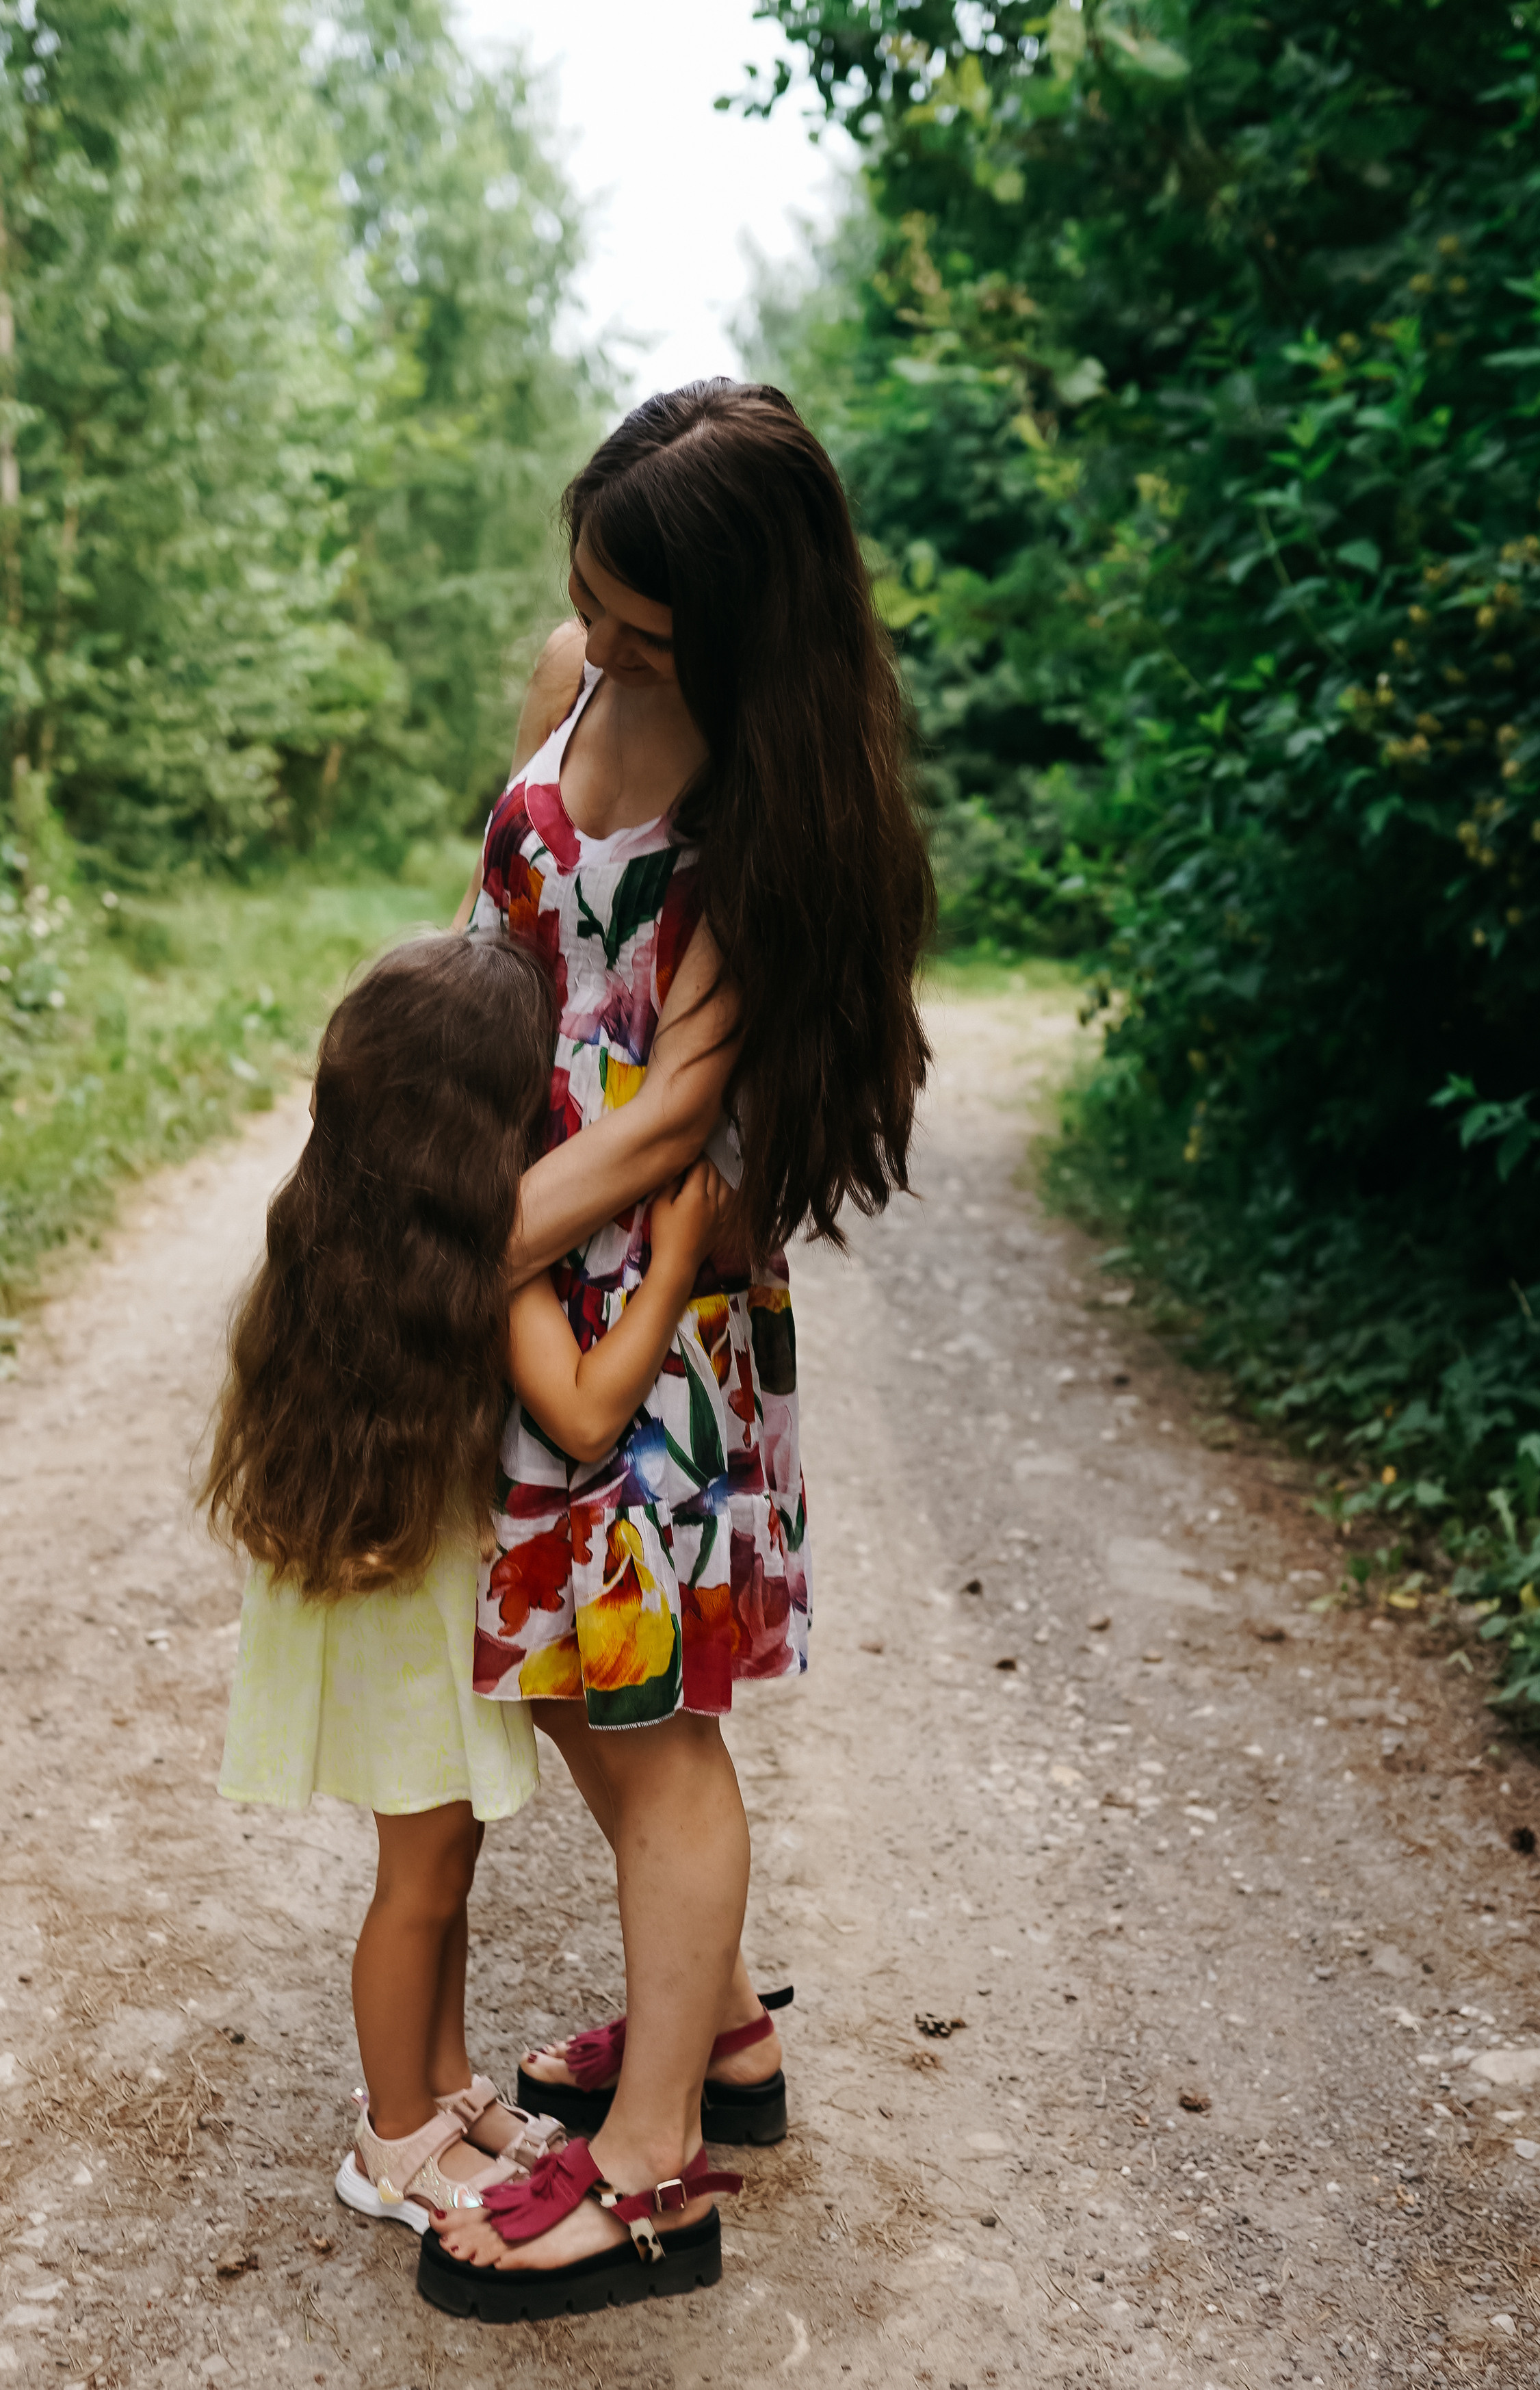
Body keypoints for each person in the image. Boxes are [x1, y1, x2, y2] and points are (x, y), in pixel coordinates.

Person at [421, 378, 932, 2322]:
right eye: (598, 614)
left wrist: (435, 1246)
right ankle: (713, 2021)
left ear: (747, 635)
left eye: (653, 638)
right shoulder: (576, 663)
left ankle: (650, 2171)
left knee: (647, 1725)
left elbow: (658, 1131)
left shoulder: (768, 810)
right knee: (548, 1661)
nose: (613, 654)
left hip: (642, 1291)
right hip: (516, 1233)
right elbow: (508, 933)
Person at [206, 933, 733, 2235]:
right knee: (422, 1883)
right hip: (406, 1624)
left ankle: (442, 2088)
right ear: (488, 1122)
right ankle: (391, 2139)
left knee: (441, 1864)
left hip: (371, 1599)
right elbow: (589, 1412)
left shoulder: (332, 1229)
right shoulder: (483, 1258)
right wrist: (668, 1268)